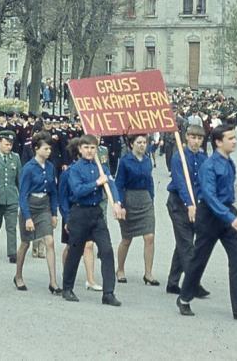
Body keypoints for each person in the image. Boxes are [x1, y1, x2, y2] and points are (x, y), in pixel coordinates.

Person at [177, 124, 237, 321]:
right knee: (199, 259)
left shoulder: (229, 163)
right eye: (230, 138)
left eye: (235, 137)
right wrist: (230, 217)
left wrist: (231, 214)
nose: (234, 141)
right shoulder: (209, 166)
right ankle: (184, 298)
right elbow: (210, 197)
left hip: (227, 212)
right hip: (210, 215)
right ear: (218, 142)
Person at [61, 134, 125, 306]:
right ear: (80, 149)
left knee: (106, 250)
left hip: (96, 213)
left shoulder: (101, 166)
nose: (89, 151)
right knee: (75, 252)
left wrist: (117, 203)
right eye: (86, 148)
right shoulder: (74, 169)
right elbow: (77, 190)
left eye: (92, 148)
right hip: (79, 213)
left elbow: (111, 185)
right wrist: (97, 183)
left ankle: (108, 293)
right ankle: (67, 288)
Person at [165, 125, 210, 297]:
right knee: (187, 245)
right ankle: (193, 283)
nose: (196, 141)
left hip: (196, 205)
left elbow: (203, 183)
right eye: (193, 137)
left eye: (199, 138)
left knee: (184, 243)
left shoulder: (203, 157)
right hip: (178, 204)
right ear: (186, 138)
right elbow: (181, 183)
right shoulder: (179, 157)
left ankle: (172, 282)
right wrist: (189, 204)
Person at [14, 132, 61, 294]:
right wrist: (27, 217)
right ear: (36, 149)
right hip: (30, 206)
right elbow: (22, 195)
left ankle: (53, 282)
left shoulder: (50, 167)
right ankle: (18, 275)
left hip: (44, 207)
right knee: (26, 243)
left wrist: (54, 213)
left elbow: (54, 192)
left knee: (49, 241)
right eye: (45, 148)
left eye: (50, 148)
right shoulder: (28, 168)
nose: (49, 151)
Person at [59, 138, 102, 291]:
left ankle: (90, 279)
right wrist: (66, 217)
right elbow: (63, 198)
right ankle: (67, 274)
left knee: (89, 245)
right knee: (71, 247)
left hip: (87, 212)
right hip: (72, 213)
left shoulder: (93, 168)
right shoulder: (69, 172)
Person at [114, 134, 158, 285]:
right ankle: (120, 269)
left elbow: (150, 180)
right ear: (132, 144)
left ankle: (148, 273)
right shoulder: (125, 161)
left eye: (144, 142)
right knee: (127, 238)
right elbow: (119, 184)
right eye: (139, 142)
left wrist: (151, 198)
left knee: (149, 237)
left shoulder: (147, 160)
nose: (142, 145)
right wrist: (120, 204)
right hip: (129, 199)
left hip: (145, 199)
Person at [0, 131, 22, 263]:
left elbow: (20, 178)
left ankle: (12, 253)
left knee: (11, 226)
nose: (9, 147)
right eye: (6, 144)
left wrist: (22, 196)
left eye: (11, 145)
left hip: (11, 197)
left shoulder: (15, 158)